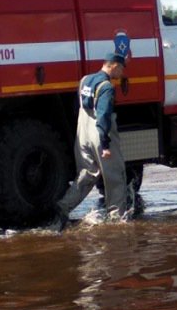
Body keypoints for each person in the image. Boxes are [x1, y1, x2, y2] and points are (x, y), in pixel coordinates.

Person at [47, 52, 131, 230]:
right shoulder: (107, 86)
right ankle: (117, 222)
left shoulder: (85, 80)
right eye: (122, 68)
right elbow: (103, 117)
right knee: (115, 177)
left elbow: (80, 106)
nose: (122, 73)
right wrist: (105, 145)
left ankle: (62, 208)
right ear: (114, 65)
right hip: (98, 135)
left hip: (82, 132)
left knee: (87, 173)